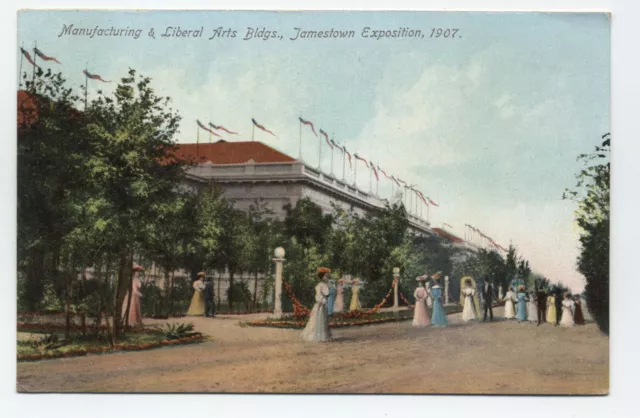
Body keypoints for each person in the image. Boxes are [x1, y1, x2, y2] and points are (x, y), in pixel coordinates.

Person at [301, 267, 332, 342]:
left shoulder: (321, 285)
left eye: (327, 276)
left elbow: (321, 295)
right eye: (325, 276)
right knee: (319, 319)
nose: (327, 277)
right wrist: (323, 299)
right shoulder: (322, 285)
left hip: (320, 303)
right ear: (322, 276)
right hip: (321, 304)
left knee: (320, 319)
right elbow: (325, 293)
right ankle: (319, 336)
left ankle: (320, 335)